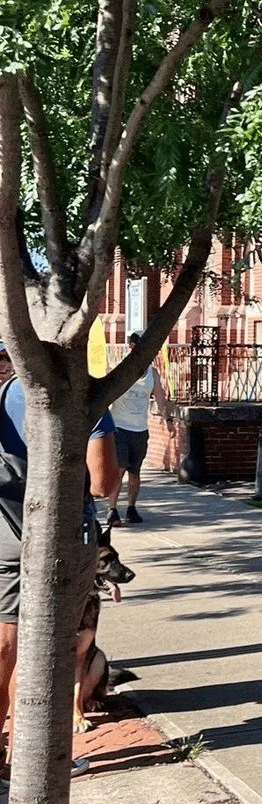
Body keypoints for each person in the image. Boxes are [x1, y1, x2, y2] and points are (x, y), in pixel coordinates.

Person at [0, 344, 121, 778]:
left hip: (6, 535)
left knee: (6, 650)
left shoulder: (6, 393)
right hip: (63, 541)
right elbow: (103, 481)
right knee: (50, 650)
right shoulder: (84, 399)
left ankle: (2, 754)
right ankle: (35, 761)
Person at [107, 331, 176, 524]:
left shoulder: (152, 374)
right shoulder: (119, 369)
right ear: (131, 347)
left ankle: (131, 508)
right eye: (137, 346)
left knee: (135, 472)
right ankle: (112, 510)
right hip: (119, 427)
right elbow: (107, 396)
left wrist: (168, 420)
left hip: (140, 430)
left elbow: (161, 398)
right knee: (119, 469)